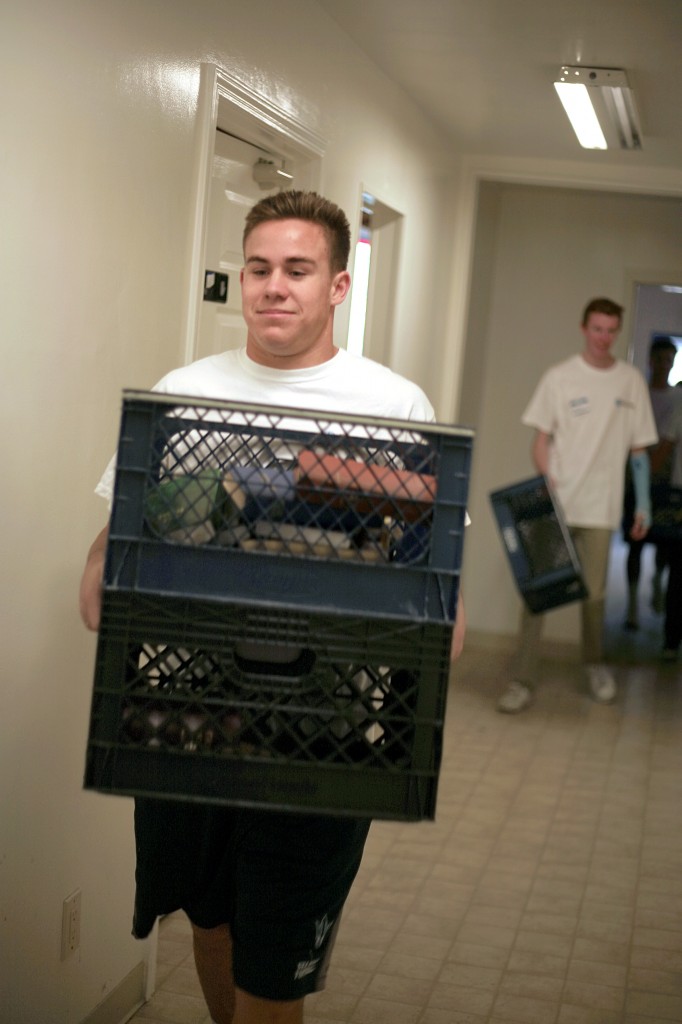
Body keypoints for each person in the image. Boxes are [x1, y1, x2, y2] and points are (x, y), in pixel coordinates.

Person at [79, 190, 466, 1024]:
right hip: (188, 718)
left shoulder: (393, 407)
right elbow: (103, 575)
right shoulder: (182, 392)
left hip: (320, 736)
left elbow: (441, 614)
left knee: (272, 967)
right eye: (258, 268)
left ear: (338, 285)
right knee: (211, 922)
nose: (273, 286)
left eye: (298, 269)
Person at [497, 297, 657, 715]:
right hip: (558, 504)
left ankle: (594, 665)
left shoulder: (630, 382)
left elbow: (639, 451)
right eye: (597, 329)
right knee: (539, 593)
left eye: (610, 330)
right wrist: (547, 480)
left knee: (596, 596)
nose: (603, 337)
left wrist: (643, 505)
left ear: (617, 332)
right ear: (584, 328)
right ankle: (521, 679)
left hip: (602, 508)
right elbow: (540, 441)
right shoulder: (560, 378)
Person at [623, 335, 680, 629]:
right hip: (635, 479)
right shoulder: (638, 394)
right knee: (635, 542)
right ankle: (632, 606)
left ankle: (657, 582)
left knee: (665, 544)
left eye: (669, 360)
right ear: (650, 360)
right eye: (659, 359)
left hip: (666, 483)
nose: (663, 365)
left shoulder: (677, 399)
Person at [651, 391, 682, 660]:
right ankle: (672, 641)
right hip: (680, 501)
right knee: (678, 575)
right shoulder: (680, 405)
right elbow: (664, 449)